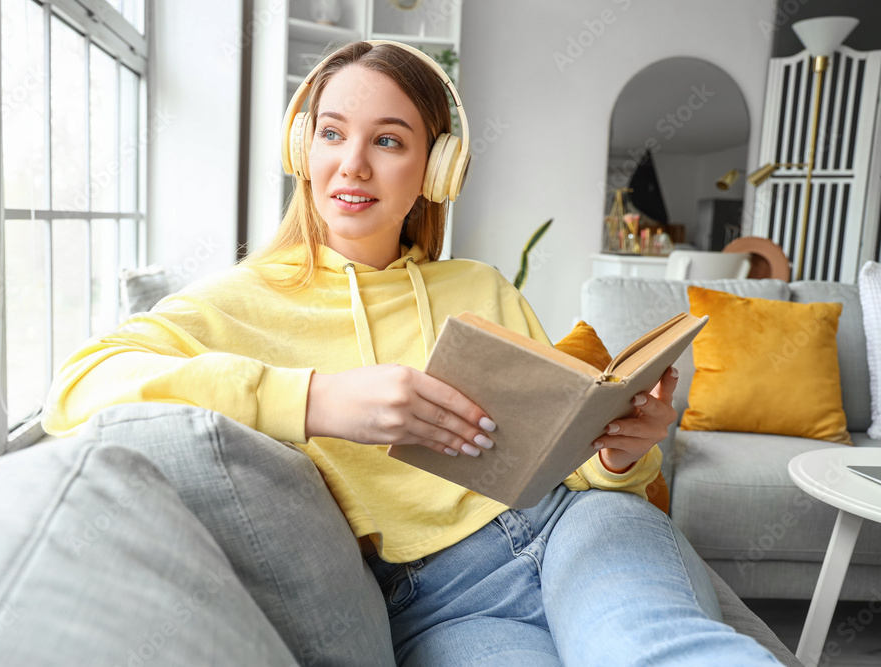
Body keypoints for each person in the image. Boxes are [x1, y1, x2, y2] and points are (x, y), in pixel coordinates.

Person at [42, 41, 782, 666]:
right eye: (331, 134)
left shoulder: (479, 286)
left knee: (653, 647)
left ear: (437, 168)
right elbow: (76, 390)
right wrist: (318, 398)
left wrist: (622, 454)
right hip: (436, 600)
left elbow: (567, 462)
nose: (352, 165)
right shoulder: (236, 301)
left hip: (578, 527)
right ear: (302, 149)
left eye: (388, 140)